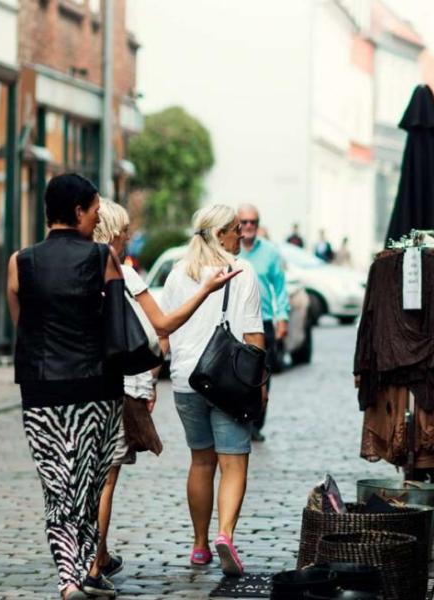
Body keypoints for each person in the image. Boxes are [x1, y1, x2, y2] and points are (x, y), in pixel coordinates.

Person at [89, 200, 235, 581]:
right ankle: (94, 562)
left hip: (82, 382)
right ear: (111, 234)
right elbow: (162, 326)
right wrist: (205, 290)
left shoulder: (77, 270)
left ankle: (96, 553)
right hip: (121, 385)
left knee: (87, 476)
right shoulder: (123, 274)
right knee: (106, 478)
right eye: (124, 232)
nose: (129, 239)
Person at [5, 173, 124, 600]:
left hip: (41, 390)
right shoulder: (101, 258)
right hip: (95, 388)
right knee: (89, 483)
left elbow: (23, 325)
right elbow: (116, 324)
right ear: (77, 212)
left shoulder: (21, 261)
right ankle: (81, 573)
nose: (97, 219)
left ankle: (68, 579)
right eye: (94, 210)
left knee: (57, 484)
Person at [158, 204, 266, 577]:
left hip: (187, 380)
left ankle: (200, 545)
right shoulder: (242, 271)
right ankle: (225, 535)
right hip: (229, 381)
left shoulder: (177, 274)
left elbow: (165, 331)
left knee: (201, 461)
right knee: (233, 461)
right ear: (219, 234)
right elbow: (253, 333)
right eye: (236, 229)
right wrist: (260, 383)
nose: (242, 235)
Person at [238, 203, 290, 442]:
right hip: (235, 322)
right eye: (245, 222)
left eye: (253, 222)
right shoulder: (229, 249)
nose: (249, 226)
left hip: (264, 321)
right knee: (236, 373)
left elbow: (280, 287)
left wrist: (283, 317)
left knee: (262, 375)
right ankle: (239, 420)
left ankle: (256, 424)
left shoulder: (270, 252)